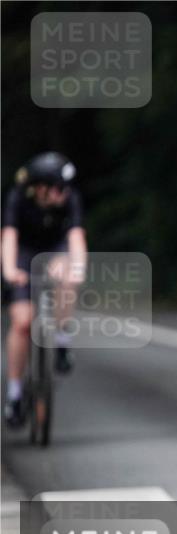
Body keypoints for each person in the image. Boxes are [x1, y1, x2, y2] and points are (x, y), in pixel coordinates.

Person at [2, 152, 87, 427]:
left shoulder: (69, 197)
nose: (64, 193)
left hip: (54, 250)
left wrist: (78, 268)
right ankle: (14, 395)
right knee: (22, 323)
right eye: (58, 188)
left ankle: (62, 339)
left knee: (66, 276)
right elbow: (9, 237)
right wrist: (10, 271)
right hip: (24, 254)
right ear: (40, 188)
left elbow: (75, 236)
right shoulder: (18, 198)